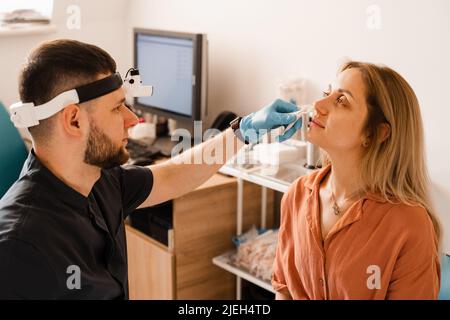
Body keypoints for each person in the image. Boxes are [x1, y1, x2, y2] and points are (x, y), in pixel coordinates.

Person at [0, 39, 302, 299]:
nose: (133, 119)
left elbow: (171, 176)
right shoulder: (18, 247)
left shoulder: (100, 181)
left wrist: (242, 131)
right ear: (74, 120)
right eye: (118, 107)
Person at [272, 61, 441, 300]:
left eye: (342, 101)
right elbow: (285, 290)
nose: (318, 105)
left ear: (375, 133)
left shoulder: (410, 225)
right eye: (326, 93)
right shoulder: (297, 194)